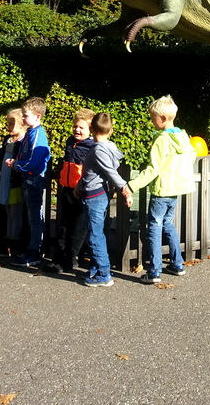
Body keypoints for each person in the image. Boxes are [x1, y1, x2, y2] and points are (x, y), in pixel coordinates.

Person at [122, 95, 196, 284]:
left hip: (162, 190)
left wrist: (132, 185)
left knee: (154, 227)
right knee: (168, 224)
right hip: (175, 190)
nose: (151, 121)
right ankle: (177, 263)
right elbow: (191, 156)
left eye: (153, 117)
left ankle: (154, 271)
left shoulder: (162, 140)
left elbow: (153, 168)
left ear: (162, 118)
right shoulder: (182, 136)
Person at [76, 112, 127, 288]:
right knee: (98, 232)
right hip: (99, 193)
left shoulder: (98, 150)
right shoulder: (110, 146)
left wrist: (124, 188)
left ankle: (103, 273)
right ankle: (98, 267)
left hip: (94, 196)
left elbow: (111, 172)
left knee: (95, 235)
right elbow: (111, 167)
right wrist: (79, 185)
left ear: (90, 129)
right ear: (111, 130)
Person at [7, 96, 50, 267]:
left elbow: (35, 161)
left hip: (33, 180)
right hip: (28, 179)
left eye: (25, 115)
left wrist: (17, 165)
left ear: (37, 116)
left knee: (35, 217)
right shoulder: (31, 133)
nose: (23, 119)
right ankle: (31, 248)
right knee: (31, 216)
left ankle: (35, 251)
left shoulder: (38, 134)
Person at [55, 107, 94, 273]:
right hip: (67, 189)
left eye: (81, 127)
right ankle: (60, 256)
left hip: (81, 191)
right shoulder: (70, 142)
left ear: (90, 130)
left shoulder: (91, 146)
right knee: (64, 224)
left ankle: (72, 258)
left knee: (79, 226)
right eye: (75, 126)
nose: (77, 130)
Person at [0, 108, 26, 259]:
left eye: (12, 124)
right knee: (9, 211)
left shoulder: (24, 142)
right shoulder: (8, 140)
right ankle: (9, 237)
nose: (8, 127)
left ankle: (14, 241)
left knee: (15, 212)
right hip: (5, 181)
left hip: (15, 184)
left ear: (23, 124)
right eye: (8, 123)